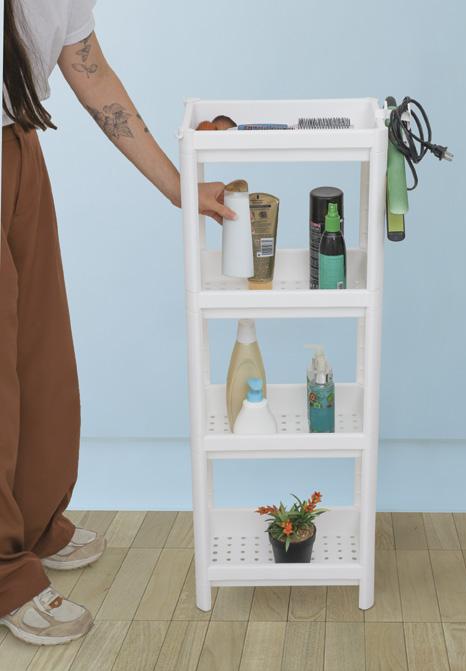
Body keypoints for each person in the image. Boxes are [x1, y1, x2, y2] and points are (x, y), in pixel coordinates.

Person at [1, 0, 236, 646]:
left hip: (16, 143)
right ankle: (2, 571)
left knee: (40, 354)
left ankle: (31, 523)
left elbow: (89, 66)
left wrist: (178, 187)